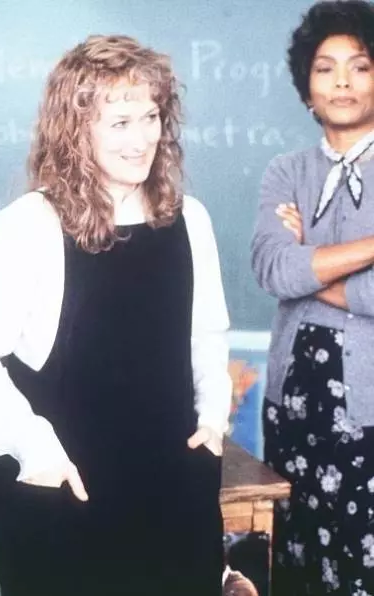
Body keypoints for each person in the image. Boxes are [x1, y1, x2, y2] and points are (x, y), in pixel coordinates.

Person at [0, 35, 232, 595]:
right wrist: (36, 450)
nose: (141, 139)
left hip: (174, 502)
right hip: (64, 501)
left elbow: (207, 337)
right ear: (77, 130)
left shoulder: (190, 220)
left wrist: (212, 423)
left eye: (151, 117)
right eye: (120, 122)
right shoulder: (28, 225)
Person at [251, 1, 374, 594]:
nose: (342, 82)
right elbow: (273, 268)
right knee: (295, 566)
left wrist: (310, 264)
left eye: (360, 66)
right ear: (307, 91)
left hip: (368, 413)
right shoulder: (286, 171)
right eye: (326, 69)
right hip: (293, 407)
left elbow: (296, 272)